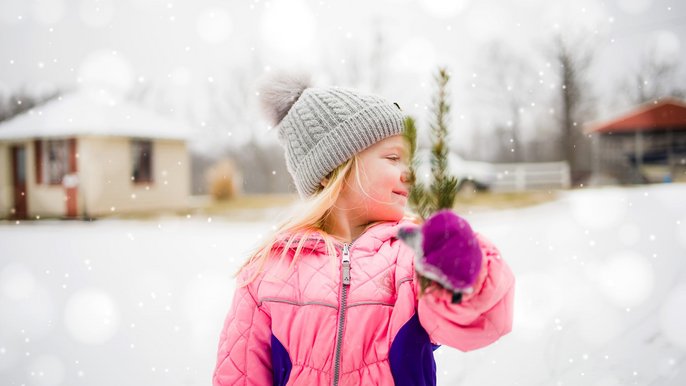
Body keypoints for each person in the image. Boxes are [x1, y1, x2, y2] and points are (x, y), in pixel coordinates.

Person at [212, 73, 515, 386]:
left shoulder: (411, 259)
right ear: (333, 171)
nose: (409, 174)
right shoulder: (268, 272)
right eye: (393, 158)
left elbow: (481, 317)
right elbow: (239, 376)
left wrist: (465, 267)